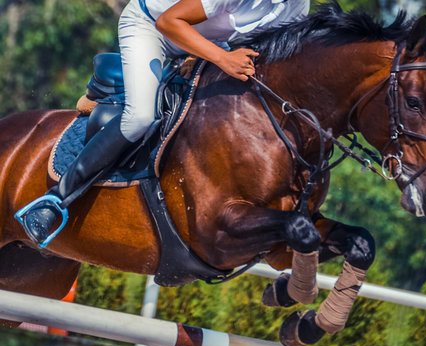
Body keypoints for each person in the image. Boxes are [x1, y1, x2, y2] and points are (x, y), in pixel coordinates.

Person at [19, 0, 310, 245]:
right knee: (140, 118)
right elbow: (169, 22)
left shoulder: (298, 5)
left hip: (206, 40)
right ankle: (54, 200)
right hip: (152, 28)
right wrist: (223, 59)